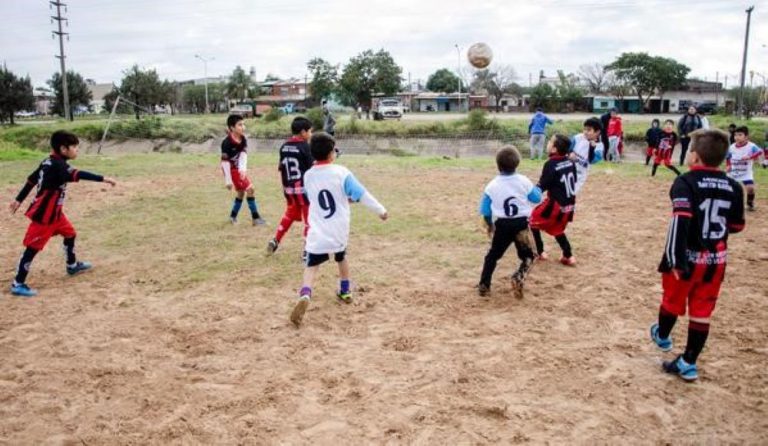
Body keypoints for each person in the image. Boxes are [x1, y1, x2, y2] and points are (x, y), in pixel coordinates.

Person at [649, 129, 745, 382]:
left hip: (687, 259)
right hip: (716, 262)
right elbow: (736, 226)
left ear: (695, 157)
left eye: (689, 149)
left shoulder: (686, 182)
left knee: (671, 301)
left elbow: (680, 220)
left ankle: (663, 336)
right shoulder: (734, 186)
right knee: (702, 312)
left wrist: (674, 259)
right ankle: (689, 362)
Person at [289, 132, 387, 327]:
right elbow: (362, 194)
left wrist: (342, 199)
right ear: (331, 153)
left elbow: (315, 198)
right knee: (341, 257)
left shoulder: (308, 175)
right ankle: (345, 290)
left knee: (311, 266)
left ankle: (306, 293)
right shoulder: (341, 172)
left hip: (317, 231)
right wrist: (381, 210)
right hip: (338, 229)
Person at [8, 130, 117, 297]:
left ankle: (72, 265)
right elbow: (77, 174)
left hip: (56, 214)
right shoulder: (59, 166)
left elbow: (31, 180)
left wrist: (18, 199)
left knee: (70, 234)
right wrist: (103, 178)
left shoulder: (48, 161)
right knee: (32, 248)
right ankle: (18, 283)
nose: (77, 150)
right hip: (44, 216)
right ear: (63, 149)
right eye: (74, 147)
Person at [477, 147, 542, 297]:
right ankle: (518, 275)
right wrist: (536, 189)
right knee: (529, 256)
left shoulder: (492, 185)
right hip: (521, 225)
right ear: (517, 164)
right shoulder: (524, 181)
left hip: (502, 226)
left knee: (492, 256)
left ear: (498, 165)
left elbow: (486, 211)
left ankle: (484, 284)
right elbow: (536, 198)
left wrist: (489, 224)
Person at [267, 116, 315, 255]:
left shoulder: (284, 146)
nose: (311, 134)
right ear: (303, 132)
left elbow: (281, 167)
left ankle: (275, 240)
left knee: (290, 215)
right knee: (309, 220)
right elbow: (312, 168)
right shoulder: (306, 147)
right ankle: (307, 250)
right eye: (310, 131)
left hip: (289, 189)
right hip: (303, 190)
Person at [530, 134, 578, 266]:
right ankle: (568, 255)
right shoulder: (570, 162)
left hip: (555, 205)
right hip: (569, 206)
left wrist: (530, 191)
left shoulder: (550, 164)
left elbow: (543, 185)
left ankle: (540, 252)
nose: (548, 143)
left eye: (550, 141)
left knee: (531, 221)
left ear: (554, 149)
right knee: (557, 227)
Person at [220, 114, 265, 225]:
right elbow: (225, 163)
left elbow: (243, 155)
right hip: (232, 171)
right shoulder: (226, 143)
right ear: (232, 128)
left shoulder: (243, 139)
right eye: (240, 125)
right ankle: (256, 218)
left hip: (238, 170)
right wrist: (228, 181)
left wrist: (243, 169)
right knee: (251, 189)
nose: (243, 127)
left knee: (241, 193)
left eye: (243, 124)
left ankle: (232, 217)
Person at [726, 125, 762, 211]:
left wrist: (750, 157)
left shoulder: (751, 146)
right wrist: (728, 165)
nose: (737, 137)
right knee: (728, 188)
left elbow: (760, 151)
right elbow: (728, 157)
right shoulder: (732, 147)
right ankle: (729, 203)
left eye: (740, 135)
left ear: (746, 136)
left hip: (746, 172)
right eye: (735, 135)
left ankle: (750, 203)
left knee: (750, 188)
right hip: (733, 172)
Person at [570, 117, 604, 195]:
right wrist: (570, 153)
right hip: (567, 169)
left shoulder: (599, 147)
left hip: (580, 175)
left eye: (589, 130)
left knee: (571, 194)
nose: (585, 132)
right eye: (584, 129)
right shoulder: (577, 138)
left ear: (597, 132)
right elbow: (567, 148)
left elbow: (591, 160)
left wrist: (592, 148)